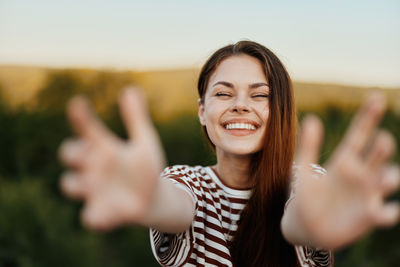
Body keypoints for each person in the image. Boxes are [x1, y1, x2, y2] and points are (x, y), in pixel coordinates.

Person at [59, 41, 399, 267]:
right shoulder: (185, 184)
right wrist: (148, 201)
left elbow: (300, 220)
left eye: (259, 95)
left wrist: (312, 224)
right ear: (201, 110)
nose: (240, 105)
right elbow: (171, 205)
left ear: (280, 109)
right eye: (224, 93)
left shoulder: (308, 184)